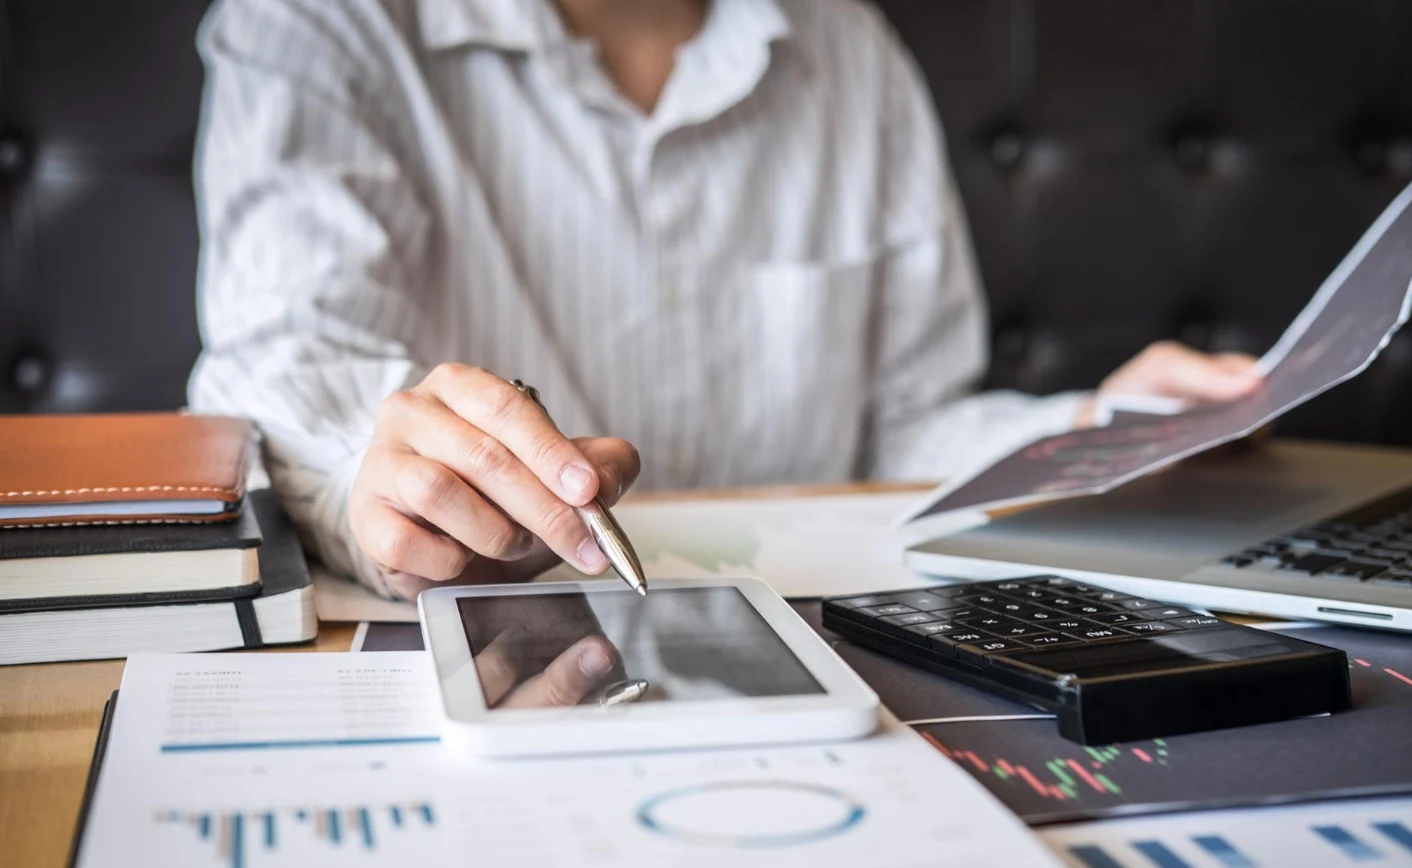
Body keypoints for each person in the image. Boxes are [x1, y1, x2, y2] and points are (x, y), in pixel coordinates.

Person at [190, 0, 1262, 600]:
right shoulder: (318, 26)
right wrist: (384, 482)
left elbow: (906, 424)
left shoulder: (850, 50)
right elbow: (286, 362)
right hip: (487, 663)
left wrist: (1090, 433)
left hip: (835, 648)